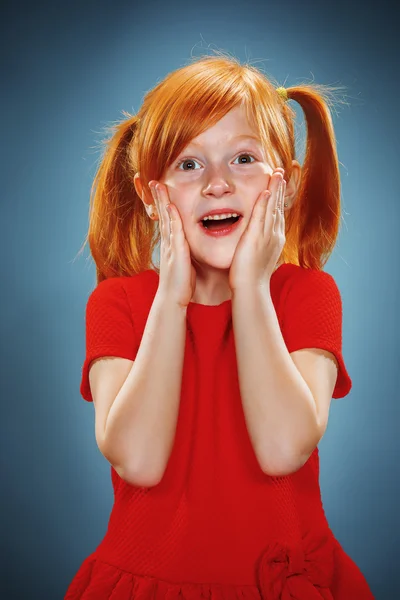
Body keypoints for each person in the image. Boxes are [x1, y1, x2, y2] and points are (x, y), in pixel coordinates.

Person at [65, 51, 375, 599]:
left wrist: (251, 288)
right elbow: (137, 459)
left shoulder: (306, 295)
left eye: (243, 159)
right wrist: (172, 298)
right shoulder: (119, 304)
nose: (216, 184)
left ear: (288, 184)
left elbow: (284, 448)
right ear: (149, 194)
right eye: (188, 164)